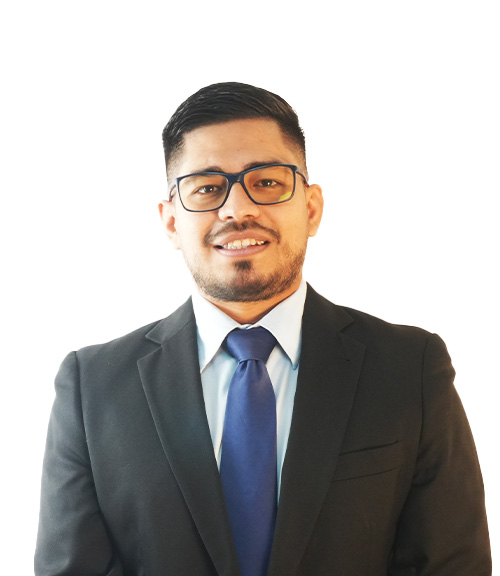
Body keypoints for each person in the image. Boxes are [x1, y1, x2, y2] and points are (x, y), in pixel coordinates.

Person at [35, 82, 491, 576]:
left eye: (267, 182)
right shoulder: (93, 387)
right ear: (170, 223)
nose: (237, 210)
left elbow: (453, 566)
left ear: (311, 208)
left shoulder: (409, 369)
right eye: (207, 188)